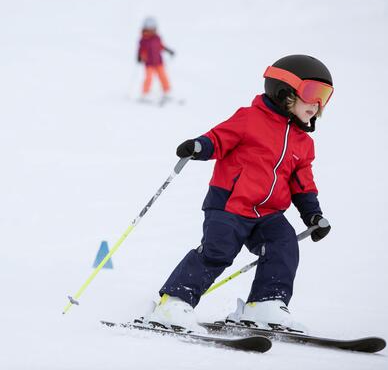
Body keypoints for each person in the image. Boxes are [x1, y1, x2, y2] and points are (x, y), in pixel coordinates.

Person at [147, 54, 334, 332]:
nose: (318, 103)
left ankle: (265, 304)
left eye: (325, 95)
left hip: (268, 214)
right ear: (284, 92)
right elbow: (220, 138)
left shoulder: (303, 143)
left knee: (283, 245)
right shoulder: (249, 119)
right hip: (229, 207)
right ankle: (174, 302)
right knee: (217, 252)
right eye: (312, 92)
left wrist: (312, 214)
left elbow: (302, 183)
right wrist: (200, 146)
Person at [137, 17, 174, 101]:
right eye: (150, 29)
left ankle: (167, 91)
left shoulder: (157, 38)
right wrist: (139, 57)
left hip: (158, 62)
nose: (152, 31)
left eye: (153, 29)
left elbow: (161, 46)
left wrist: (168, 51)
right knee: (148, 78)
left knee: (163, 76)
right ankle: (145, 93)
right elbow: (141, 50)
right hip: (149, 63)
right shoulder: (144, 40)